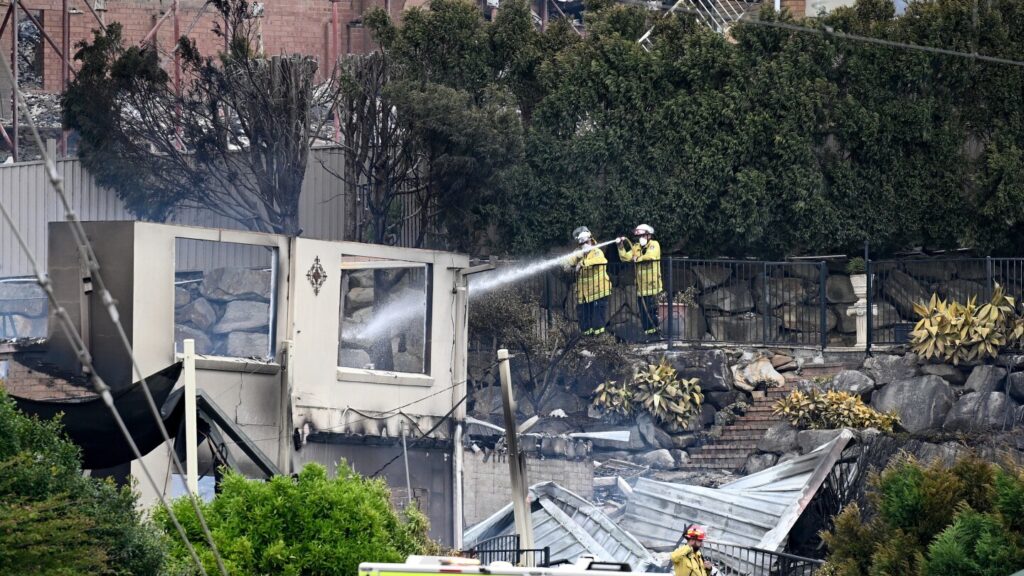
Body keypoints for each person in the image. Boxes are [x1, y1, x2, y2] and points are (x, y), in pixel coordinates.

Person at [565, 226, 612, 336]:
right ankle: (588, 342)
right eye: (582, 243)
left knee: (598, 321)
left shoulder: (597, 252)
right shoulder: (578, 253)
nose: (584, 245)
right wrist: (567, 265)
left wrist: (582, 264)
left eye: (586, 242)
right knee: (585, 321)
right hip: (584, 295)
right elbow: (567, 260)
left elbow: (601, 260)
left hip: (599, 292)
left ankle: (600, 342)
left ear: (591, 240)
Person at [617, 224, 662, 335]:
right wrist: (620, 246)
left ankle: (656, 334)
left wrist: (638, 258)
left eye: (642, 235)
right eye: (639, 236)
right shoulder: (636, 247)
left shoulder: (654, 244)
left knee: (652, 312)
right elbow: (625, 258)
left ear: (648, 235)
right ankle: (648, 334)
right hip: (641, 288)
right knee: (643, 313)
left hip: (653, 287)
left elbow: (651, 256)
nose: (640, 238)